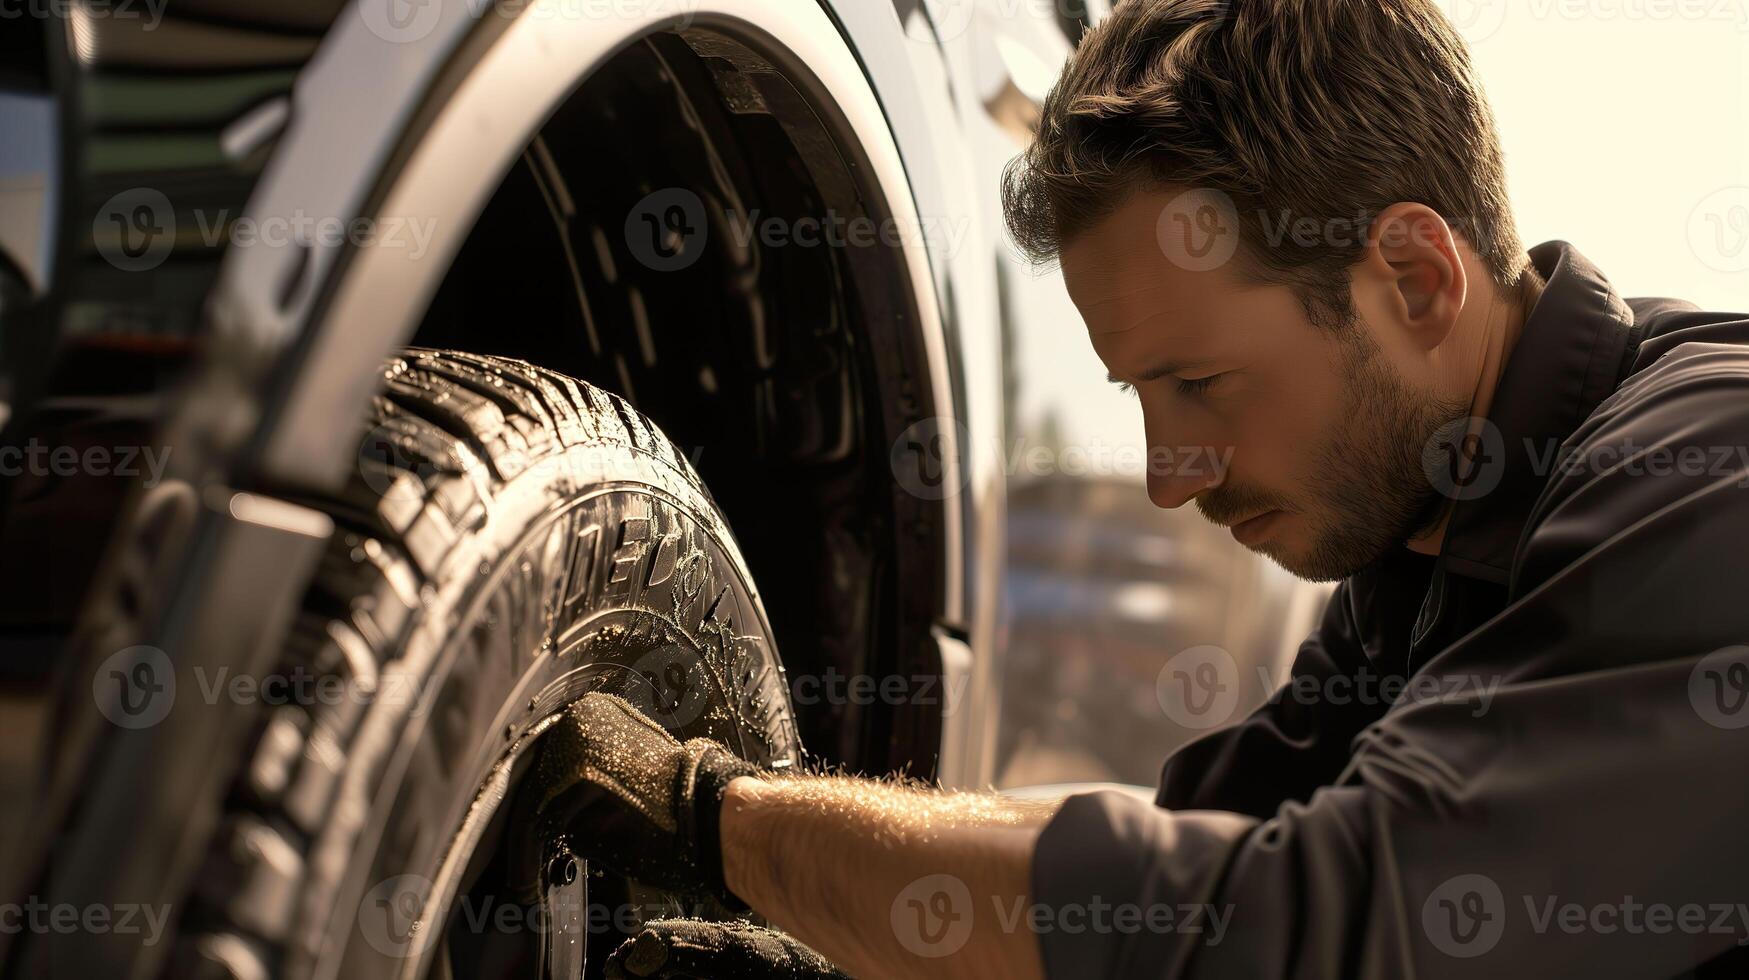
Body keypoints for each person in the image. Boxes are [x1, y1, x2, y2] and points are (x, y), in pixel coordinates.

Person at [514, 1, 1749, 976]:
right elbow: (1193, 854)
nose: (1168, 476)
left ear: (1418, 279)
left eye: (1202, 381)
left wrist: (720, 815)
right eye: (1138, 397)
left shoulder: (1709, 475)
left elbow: (1315, 933)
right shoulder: (1430, 542)